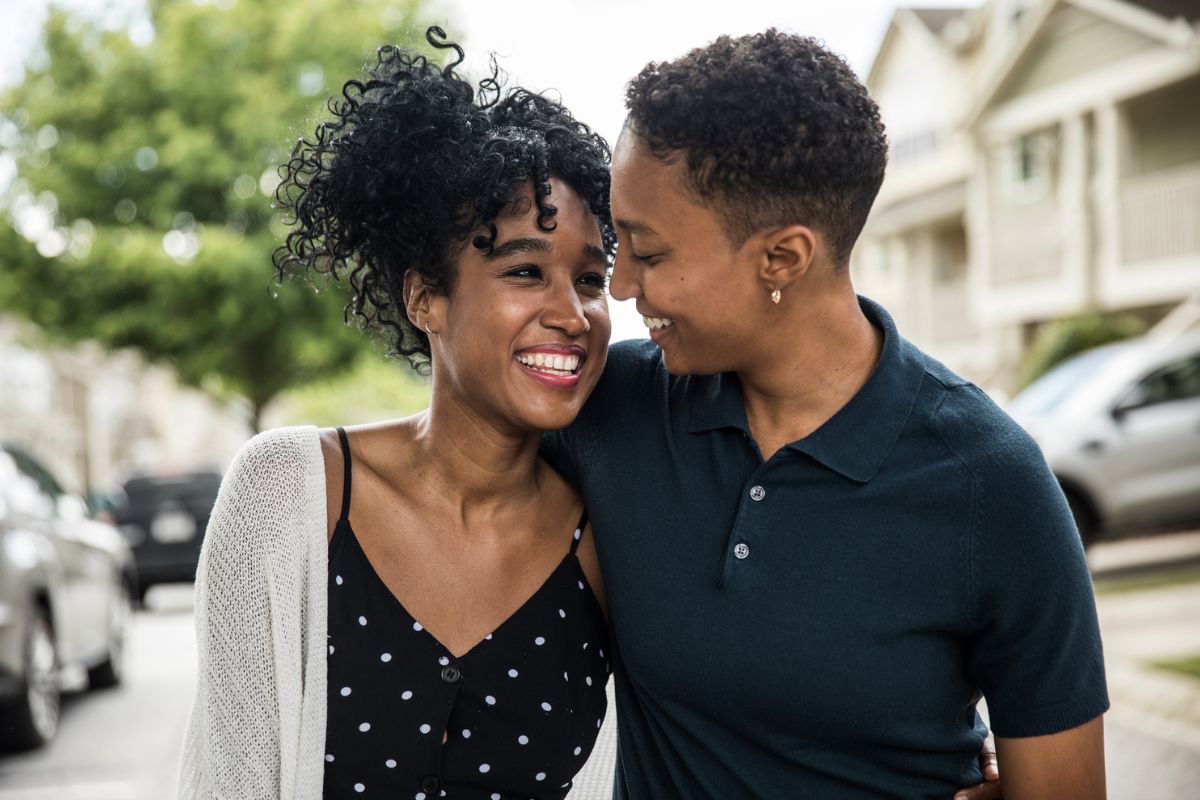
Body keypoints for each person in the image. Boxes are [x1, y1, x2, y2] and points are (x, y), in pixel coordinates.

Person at [543, 29, 1108, 799]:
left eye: (648, 250)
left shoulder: (991, 484)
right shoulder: (610, 405)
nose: (620, 286)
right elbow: (435, 457)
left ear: (782, 258)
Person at [178, 29, 616, 800]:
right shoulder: (288, 494)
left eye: (589, 278)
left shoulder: (608, 541)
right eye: (524, 270)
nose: (572, 313)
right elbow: (228, 773)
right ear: (425, 299)